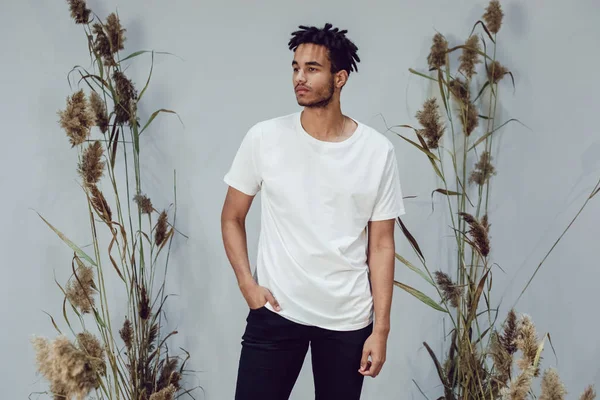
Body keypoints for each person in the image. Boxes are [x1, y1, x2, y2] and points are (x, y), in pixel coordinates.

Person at [221, 22, 406, 400]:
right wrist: (246, 284)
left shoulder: (376, 151)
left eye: (312, 69)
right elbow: (232, 217)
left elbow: (382, 245)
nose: (299, 78)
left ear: (340, 78)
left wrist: (381, 329)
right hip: (276, 311)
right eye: (295, 68)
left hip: (347, 318)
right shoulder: (265, 138)